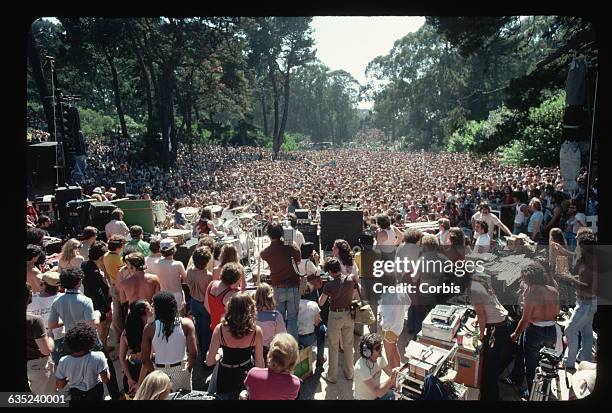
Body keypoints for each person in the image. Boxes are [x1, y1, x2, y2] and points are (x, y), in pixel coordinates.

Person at [48, 267, 123, 400]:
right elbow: (92, 324)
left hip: (70, 340)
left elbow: (51, 325)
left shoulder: (57, 301)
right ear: (79, 282)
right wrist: (98, 314)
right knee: (106, 366)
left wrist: (67, 322)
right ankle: (115, 395)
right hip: (89, 339)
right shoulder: (85, 300)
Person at [508, 262, 561, 399]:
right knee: (546, 364)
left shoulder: (530, 291)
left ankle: (532, 393)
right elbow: (557, 313)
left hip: (535, 331)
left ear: (528, 278)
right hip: (551, 330)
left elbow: (525, 319)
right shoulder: (553, 290)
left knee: (531, 366)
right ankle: (544, 390)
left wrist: (515, 333)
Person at [206, 292, 265, 400]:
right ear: (250, 310)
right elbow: (259, 364)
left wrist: (219, 355)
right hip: (246, 375)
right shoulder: (256, 331)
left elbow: (209, 361)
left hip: (224, 375)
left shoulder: (220, 329)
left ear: (230, 308)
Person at [139, 292, 197, 392]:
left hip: (159, 371)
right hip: (181, 369)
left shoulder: (149, 328)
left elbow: (144, 359)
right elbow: (193, 353)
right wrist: (188, 369)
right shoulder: (186, 324)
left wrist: (154, 372)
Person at [557, 229, 597, 370]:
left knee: (570, 330)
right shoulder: (589, 259)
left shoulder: (589, 266)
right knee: (586, 333)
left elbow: (584, 284)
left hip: (586, 304)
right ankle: (585, 359)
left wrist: (566, 276)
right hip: (587, 303)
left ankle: (569, 363)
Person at [469, 271, 513, 400]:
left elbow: (482, 315)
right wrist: (478, 319)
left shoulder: (473, 290)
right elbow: (488, 306)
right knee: (493, 361)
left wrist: (481, 335)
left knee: (490, 365)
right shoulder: (479, 283)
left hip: (496, 328)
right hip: (502, 323)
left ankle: (491, 396)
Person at [319, 257, 359, 384]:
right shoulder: (351, 278)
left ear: (330, 271)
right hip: (348, 313)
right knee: (348, 345)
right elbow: (356, 293)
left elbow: (321, 302)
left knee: (333, 346)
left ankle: (332, 376)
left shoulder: (329, 285)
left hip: (335, 315)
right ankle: (349, 373)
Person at [260, 222, 302, 341]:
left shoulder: (267, 251)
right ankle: (293, 345)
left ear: (269, 235)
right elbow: (298, 260)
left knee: (279, 319)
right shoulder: (292, 247)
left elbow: (263, 254)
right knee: (293, 318)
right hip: (293, 286)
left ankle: (281, 344)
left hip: (278, 287)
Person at [55, 321, 110, 401]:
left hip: (76, 395)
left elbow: (60, 386)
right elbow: (106, 380)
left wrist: (68, 378)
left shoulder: (64, 361)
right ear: (91, 340)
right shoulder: (99, 356)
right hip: (96, 392)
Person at [243, 333, 301, 400]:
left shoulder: (253, 373)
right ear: (293, 360)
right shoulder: (295, 383)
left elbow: (247, 392)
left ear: (270, 354)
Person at [28, 271, 65, 365]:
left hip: (40, 341)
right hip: (60, 336)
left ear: (44, 285)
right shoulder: (63, 298)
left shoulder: (32, 300)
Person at [26, 283, 56, 395]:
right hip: (37, 366)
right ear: (29, 298)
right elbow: (46, 350)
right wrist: (50, 337)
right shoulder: (34, 320)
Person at [81, 241, 112, 351]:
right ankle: (103, 347)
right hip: (98, 305)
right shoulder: (95, 272)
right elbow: (98, 293)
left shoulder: (85, 264)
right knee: (103, 327)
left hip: (89, 301)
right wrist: (106, 309)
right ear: (101, 257)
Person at [184, 246, 213, 358]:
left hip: (194, 302)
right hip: (204, 305)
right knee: (206, 329)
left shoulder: (189, 271)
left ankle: (201, 349)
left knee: (198, 327)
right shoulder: (209, 276)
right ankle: (205, 352)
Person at [119, 300, 152, 396]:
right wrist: (139, 383)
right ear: (145, 312)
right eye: (150, 308)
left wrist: (129, 378)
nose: (152, 311)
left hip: (132, 370)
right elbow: (146, 360)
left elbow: (121, 357)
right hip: (146, 374)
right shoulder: (148, 331)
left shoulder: (126, 332)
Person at [378, 271, 410, 370]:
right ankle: (400, 372)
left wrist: (382, 325)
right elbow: (408, 303)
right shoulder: (400, 289)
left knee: (390, 358)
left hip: (389, 331)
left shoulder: (387, 296)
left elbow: (388, 319)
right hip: (398, 328)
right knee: (395, 350)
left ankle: (394, 382)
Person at [353, 333, 400, 400]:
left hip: (376, 396)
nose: (381, 350)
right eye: (377, 348)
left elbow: (390, 372)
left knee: (397, 394)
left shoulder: (379, 357)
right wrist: (392, 377)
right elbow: (379, 392)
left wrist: (399, 374)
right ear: (367, 352)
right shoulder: (361, 368)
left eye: (380, 346)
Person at [103, 234, 127, 350]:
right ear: (119, 246)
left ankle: (118, 336)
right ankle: (121, 336)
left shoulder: (106, 256)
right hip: (120, 287)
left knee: (118, 311)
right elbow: (124, 273)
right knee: (121, 312)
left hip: (113, 285)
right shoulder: (116, 258)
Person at [205, 263, 242, 333]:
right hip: (226, 331)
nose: (240, 281)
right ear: (234, 280)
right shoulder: (231, 295)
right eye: (239, 279)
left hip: (214, 328)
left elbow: (206, 305)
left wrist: (215, 315)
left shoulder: (211, 284)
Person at [255, 283, 287, 361]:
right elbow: (283, 335)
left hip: (254, 351)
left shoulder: (251, 315)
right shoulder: (276, 316)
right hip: (270, 352)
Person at [156, 238, 188, 314]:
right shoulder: (178, 264)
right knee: (179, 317)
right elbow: (186, 280)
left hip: (164, 294)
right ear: (174, 250)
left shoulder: (157, 263)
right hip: (176, 295)